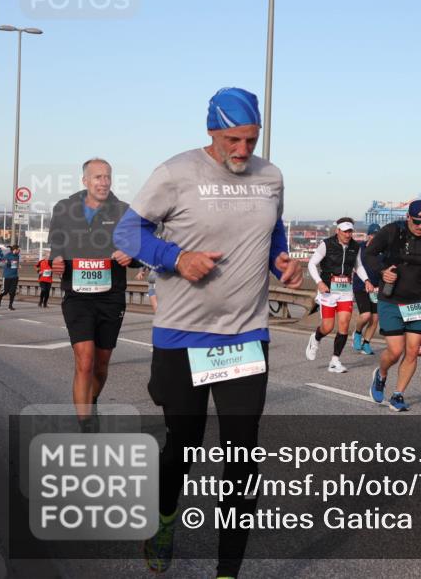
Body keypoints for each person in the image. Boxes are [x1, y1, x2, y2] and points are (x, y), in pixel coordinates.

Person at [114, 87, 302, 578]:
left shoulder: (271, 177)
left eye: (251, 140)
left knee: (242, 455)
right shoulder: (177, 173)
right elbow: (127, 234)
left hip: (244, 335)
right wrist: (176, 258)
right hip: (182, 336)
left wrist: (280, 260)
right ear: (211, 131)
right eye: (233, 140)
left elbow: (272, 230)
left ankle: (226, 572)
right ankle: (163, 520)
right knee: (185, 444)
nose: (242, 151)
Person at [48, 159, 137, 430]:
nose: (104, 182)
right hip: (77, 295)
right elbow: (56, 244)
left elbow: (139, 250)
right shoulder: (64, 208)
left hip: (111, 296)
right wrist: (57, 258)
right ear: (85, 180)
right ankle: (86, 425)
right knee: (84, 361)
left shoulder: (124, 211)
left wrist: (131, 256)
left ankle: (93, 399)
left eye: (107, 177)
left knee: (100, 364)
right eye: (98, 177)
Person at [364, 200, 421, 411]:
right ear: (408, 217)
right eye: (417, 222)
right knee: (395, 350)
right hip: (391, 300)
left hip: (416, 301)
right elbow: (369, 254)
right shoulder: (392, 231)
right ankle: (381, 374)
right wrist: (382, 271)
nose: (420, 227)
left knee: (411, 351)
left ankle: (398, 394)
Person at [305, 217, 370, 372]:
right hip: (328, 291)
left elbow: (358, 266)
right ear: (338, 231)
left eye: (350, 231)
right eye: (345, 231)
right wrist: (319, 282)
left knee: (344, 324)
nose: (348, 235)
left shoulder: (355, 246)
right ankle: (315, 338)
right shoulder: (326, 244)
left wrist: (366, 279)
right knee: (327, 327)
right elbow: (311, 264)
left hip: (345, 291)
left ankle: (335, 361)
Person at [351, 223, 381, 356]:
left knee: (375, 319)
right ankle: (357, 333)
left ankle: (366, 344)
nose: (376, 237)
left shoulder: (383, 251)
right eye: (374, 235)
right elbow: (353, 264)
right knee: (366, 315)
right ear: (368, 235)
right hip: (360, 286)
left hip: (376, 289)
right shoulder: (359, 248)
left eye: (378, 235)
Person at [0, 244, 21, 310]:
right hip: (7, 276)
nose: (19, 251)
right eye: (18, 249)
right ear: (15, 250)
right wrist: (6, 262)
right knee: (5, 291)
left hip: (15, 276)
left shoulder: (17, 256)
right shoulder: (7, 255)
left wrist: (18, 266)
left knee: (12, 292)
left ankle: (10, 306)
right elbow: (1, 263)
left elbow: (16, 264)